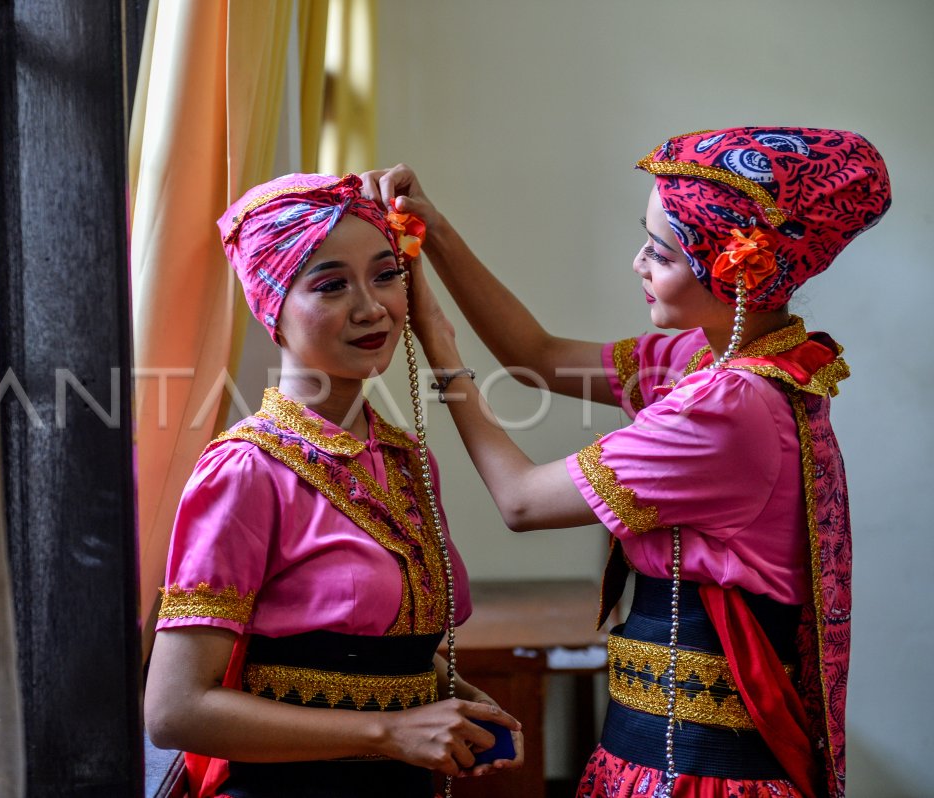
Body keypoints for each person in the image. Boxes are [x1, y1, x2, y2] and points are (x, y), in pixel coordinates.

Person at [361, 127, 890, 798]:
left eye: (661, 252)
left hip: (699, 776)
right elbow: (541, 355)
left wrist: (443, 355)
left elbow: (520, 500)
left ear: (733, 271)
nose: (638, 262)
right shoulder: (709, 358)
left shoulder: (727, 407)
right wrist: (432, 228)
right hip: (653, 752)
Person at [143, 172, 524, 798]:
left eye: (385, 275)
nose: (372, 307)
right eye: (330, 285)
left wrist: (446, 694)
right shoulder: (247, 472)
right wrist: (389, 731)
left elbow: (347, 644)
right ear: (273, 311)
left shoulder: (405, 461)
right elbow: (174, 711)